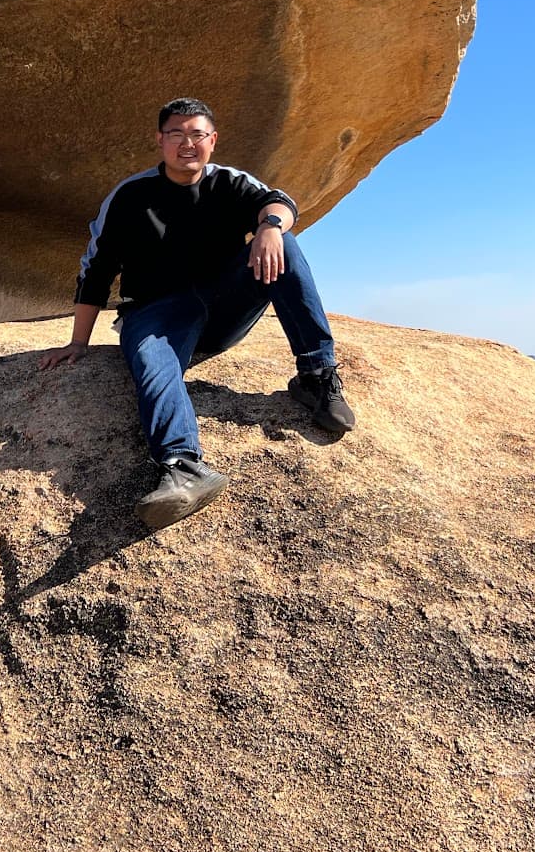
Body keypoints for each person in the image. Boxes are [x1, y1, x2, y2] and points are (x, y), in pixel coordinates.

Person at [39, 97, 354, 530]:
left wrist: (269, 227)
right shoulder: (131, 195)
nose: (187, 143)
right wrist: (79, 341)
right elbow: (96, 270)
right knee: (152, 363)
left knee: (286, 243)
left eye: (197, 134)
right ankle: (184, 468)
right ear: (160, 140)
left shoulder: (229, 182)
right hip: (156, 312)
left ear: (212, 140)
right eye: (176, 134)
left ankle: (316, 377)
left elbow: (279, 202)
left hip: (222, 306)